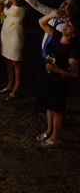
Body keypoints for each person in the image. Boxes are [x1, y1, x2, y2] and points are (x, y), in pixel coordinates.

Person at [36, 12, 78, 147]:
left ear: (75, 31)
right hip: (47, 76)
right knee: (49, 106)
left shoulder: (74, 49)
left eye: (70, 25)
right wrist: (52, 14)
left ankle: (55, 137)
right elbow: (41, 22)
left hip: (59, 81)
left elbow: (74, 73)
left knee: (57, 109)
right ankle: (49, 130)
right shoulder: (57, 35)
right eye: (68, 23)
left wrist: (57, 70)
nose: (66, 26)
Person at [0, 0, 27, 99]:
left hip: (16, 33)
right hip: (5, 31)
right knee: (7, 60)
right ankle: (9, 84)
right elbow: (2, 16)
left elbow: (17, 4)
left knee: (16, 62)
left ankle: (17, 87)